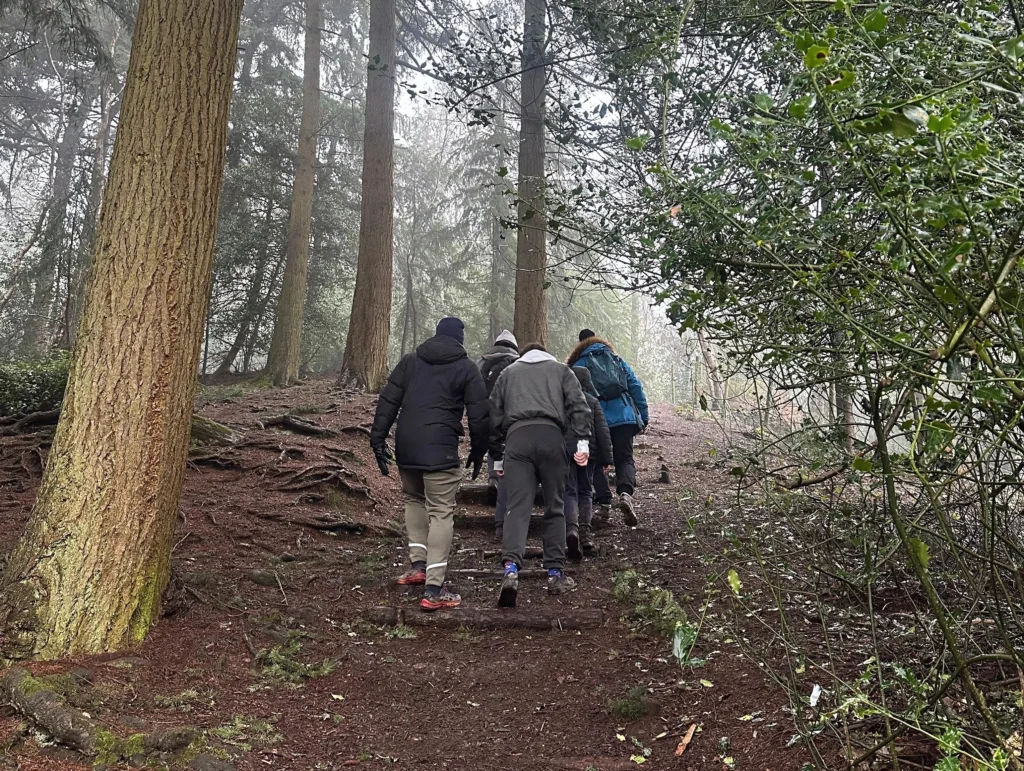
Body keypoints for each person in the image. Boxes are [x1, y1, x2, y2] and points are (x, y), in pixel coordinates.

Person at [369, 317, 489, 612]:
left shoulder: (410, 362)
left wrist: (378, 438)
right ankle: (434, 588)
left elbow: (388, 401)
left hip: (407, 447)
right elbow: (480, 415)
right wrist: (479, 449)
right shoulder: (466, 367)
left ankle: (418, 566)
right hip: (441, 453)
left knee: (413, 499)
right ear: (460, 339)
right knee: (441, 512)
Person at [489, 343, 592, 607]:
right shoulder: (561, 370)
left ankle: (511, 569)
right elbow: (580, 406)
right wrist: (582, 443)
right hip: (551, 438)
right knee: (554, 506)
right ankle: (555, 574)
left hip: (517, 439)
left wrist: (498, 456)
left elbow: (494, 414)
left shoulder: (508, 373)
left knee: (516, 507)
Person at [568, 329, 649, 526]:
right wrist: (643, 417)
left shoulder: (578, 364)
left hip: (596, 419)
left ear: (580, 344)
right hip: (624, 417)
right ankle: (625, 494)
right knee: (625, 458)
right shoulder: (616, 359)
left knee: (596, 461)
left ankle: (604, 505)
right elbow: (635, 386)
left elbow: (573, 395)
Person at [565, 366, 614, 560]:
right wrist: (607, 458)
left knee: (568, 491)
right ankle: (585, 537)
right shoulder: (593, 402)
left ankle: (571, 530)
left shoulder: (562, 401)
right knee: (585, 491)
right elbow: (603, 431)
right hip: (589, 454)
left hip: (566, 452)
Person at [475, 329, 519, 542]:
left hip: (488, 411)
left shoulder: (484, 360)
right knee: (506, 448)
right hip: (511, 414)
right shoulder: (518, 362)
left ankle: (493, 476)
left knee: (494, 444)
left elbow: (475, 386)